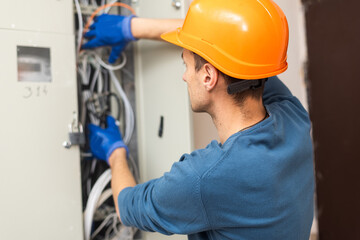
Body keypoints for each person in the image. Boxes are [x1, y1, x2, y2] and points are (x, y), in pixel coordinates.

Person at [84, 0, 315, 239]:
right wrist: (133, 28)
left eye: (185, 64)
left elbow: (126, 207)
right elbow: (236, 43)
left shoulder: (204, 179)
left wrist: (116, 153)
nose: (184, 77)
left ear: (208, 77)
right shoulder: (294, 118)